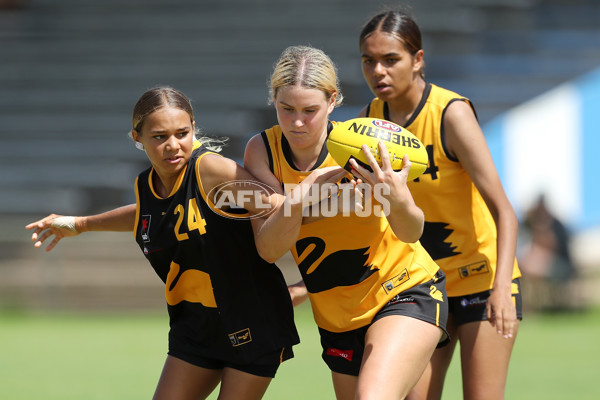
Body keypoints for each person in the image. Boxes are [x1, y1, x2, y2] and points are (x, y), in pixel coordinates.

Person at [26, 86, 346, 400]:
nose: (173, 145)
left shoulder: (210, 169)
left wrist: (344, 209)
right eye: (159, 136)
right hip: (195, 327)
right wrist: (80, 224)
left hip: (253, 327)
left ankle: (294, 292)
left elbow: (279, 207)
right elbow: (146, 215)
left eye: (182, 133)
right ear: (137, 138)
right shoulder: (145, 185)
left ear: (194, 129)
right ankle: (293, 292)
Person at [243, 45, 448, 400]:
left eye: (310, 111)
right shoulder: (262, 150)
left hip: (404, 289)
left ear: (333, 100)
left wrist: (397, 198)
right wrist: (303, 193)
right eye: (286, 109)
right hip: (337, 315)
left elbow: (412, 230)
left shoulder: (361, 146)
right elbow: (269, 248)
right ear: (272, 98)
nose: (296, 122)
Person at [357, 10, 523, 400]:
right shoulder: (371, 121)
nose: (378, 71)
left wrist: (502, 289)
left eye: (391, 59)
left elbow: (505, 211)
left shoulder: (451, 113)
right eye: (368, 60)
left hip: (483, 278)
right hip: (425, 285)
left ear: (418, 60)